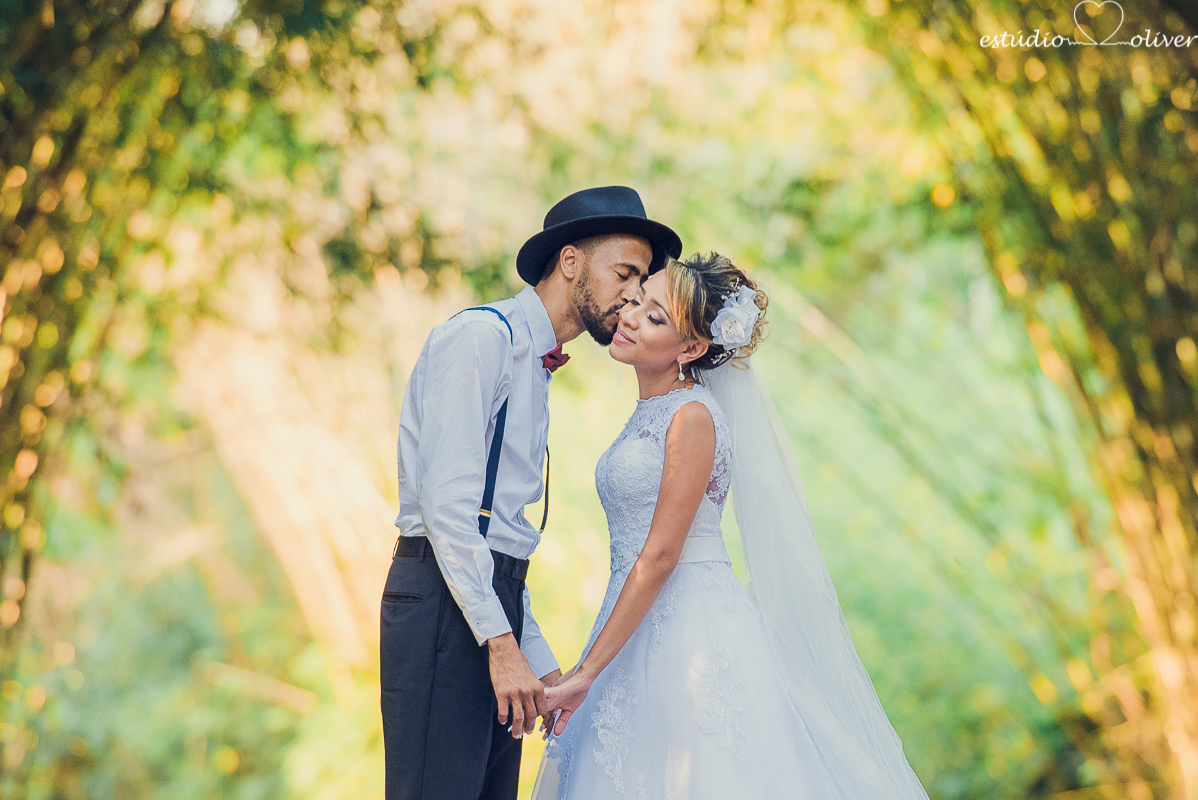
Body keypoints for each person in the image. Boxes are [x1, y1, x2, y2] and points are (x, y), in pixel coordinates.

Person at [533, 253, 931, 799]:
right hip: (632, 621)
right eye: (637, 299)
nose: (627, 316)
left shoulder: (691, 416)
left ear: (692, 348)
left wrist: (585, 673)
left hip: (688, 629)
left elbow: (660, 556)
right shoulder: (656, 407)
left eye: (654, 317)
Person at [380, 185, 682, 800]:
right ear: (570, 262)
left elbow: (502, 536)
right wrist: (500, 644)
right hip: (444, 605)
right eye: (625, 272)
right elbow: (449, 513)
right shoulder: (480, 339)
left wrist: (536, 660)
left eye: (644, 279)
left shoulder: (537, 362)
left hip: (485, 600)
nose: (634, 294)